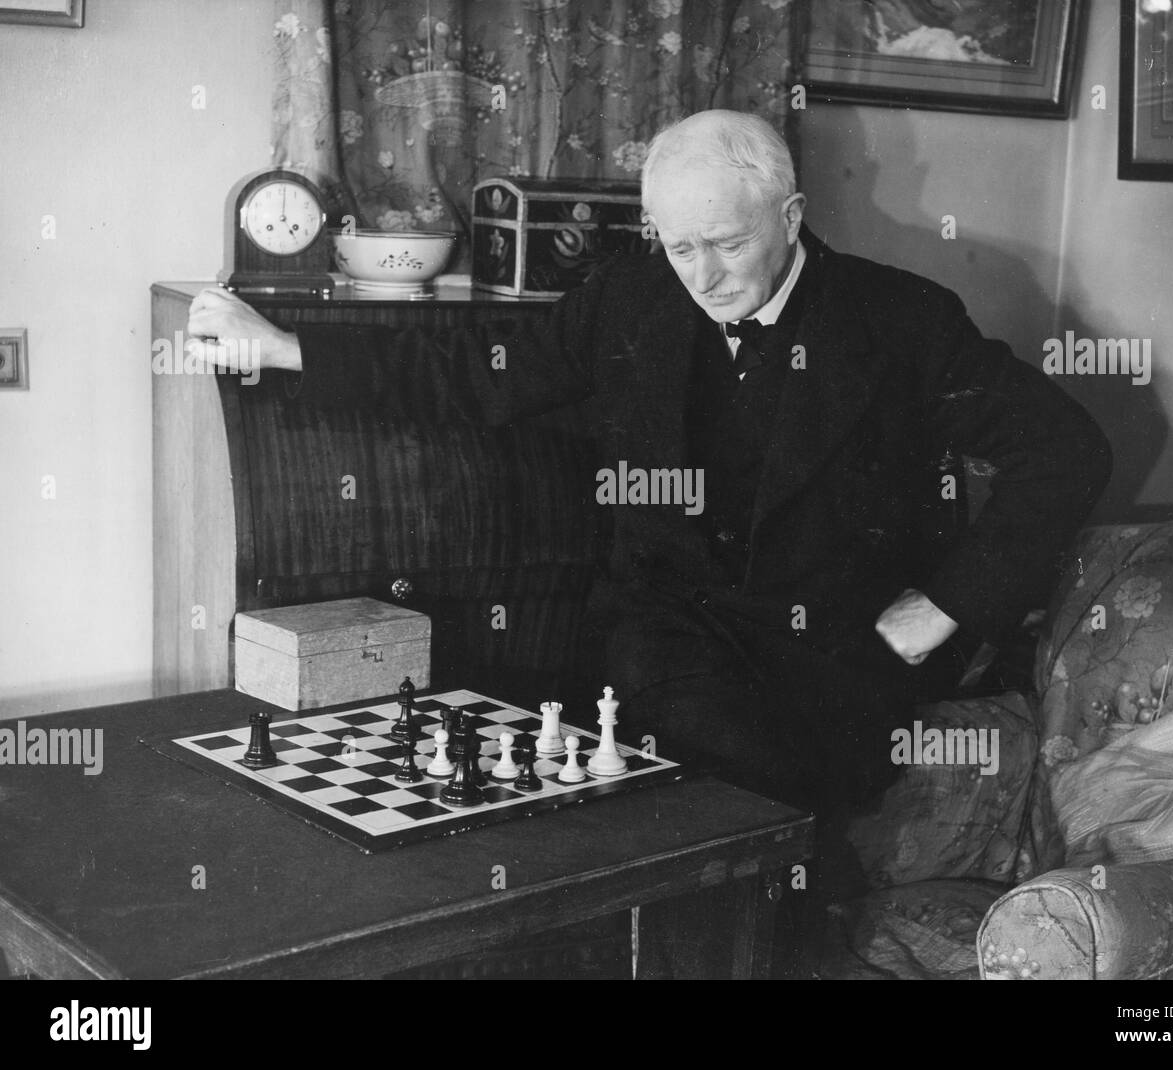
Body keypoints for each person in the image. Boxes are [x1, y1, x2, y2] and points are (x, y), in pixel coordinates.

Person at [189, 109, 1111, 896]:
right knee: (642, 784)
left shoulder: (901, 321)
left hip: (836, 644)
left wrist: (947, 607)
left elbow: (1067, 449)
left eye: (728, 244)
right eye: (679, 247)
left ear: (791, 216)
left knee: (740, 799)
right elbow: (477, 378)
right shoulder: (631, 296)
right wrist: (285, 346)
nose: (702, 276)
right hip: (667, 628)